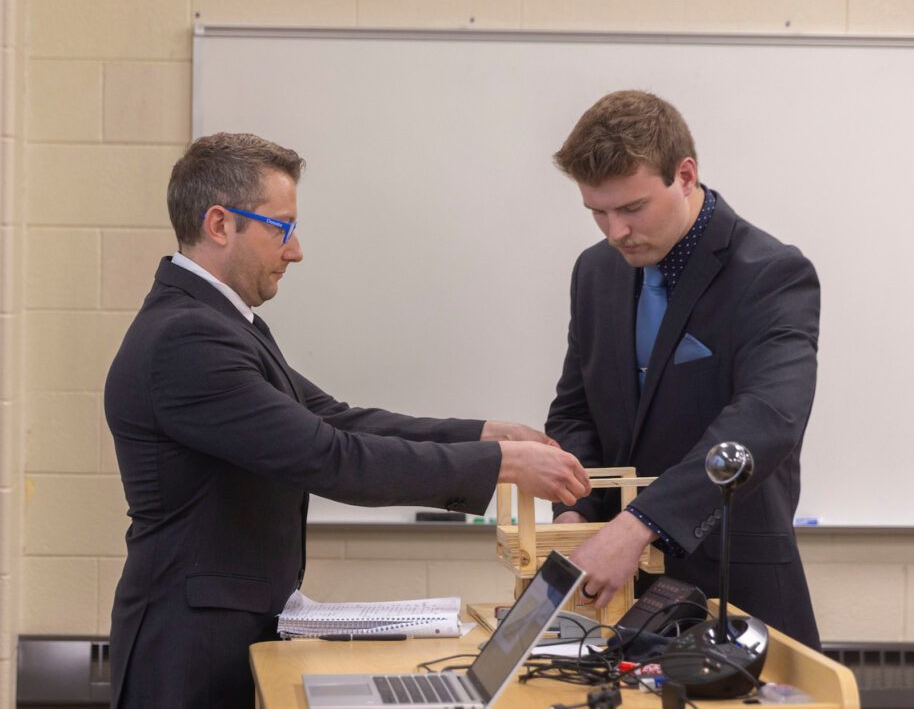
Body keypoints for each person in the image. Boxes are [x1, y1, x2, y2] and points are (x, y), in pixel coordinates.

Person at [104, 132, 591, 708]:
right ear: (219, 223)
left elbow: (333, 418)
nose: (296, 250)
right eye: (281, 228)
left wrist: (480, 433)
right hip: (185, 648)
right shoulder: (187, 338)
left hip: (217, 631)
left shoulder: (224, 323)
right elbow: (329, 458)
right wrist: (502, 464)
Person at [546, 91, 821, 649]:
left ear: (685, 175)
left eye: (632, 208)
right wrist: (576, 509)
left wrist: (643, 522)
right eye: (597, 212)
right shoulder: (595, 272)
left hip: (733, 591)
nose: (614, 231)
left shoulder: (772, 273)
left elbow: (767, 420)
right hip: (611, 598)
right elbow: (576, 409)